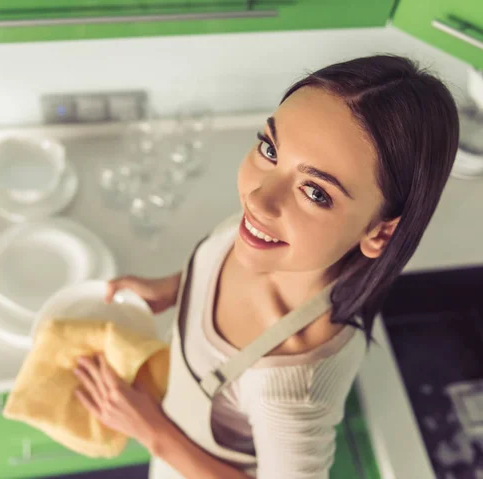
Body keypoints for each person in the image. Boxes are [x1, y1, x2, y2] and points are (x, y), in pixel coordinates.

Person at [72, 54, 459, 479]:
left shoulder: (294, 388)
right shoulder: (266, 233)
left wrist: (152, 432)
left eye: (315, 192)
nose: (258, 199)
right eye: (271, 149)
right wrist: (177, 287)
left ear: (380, 233)